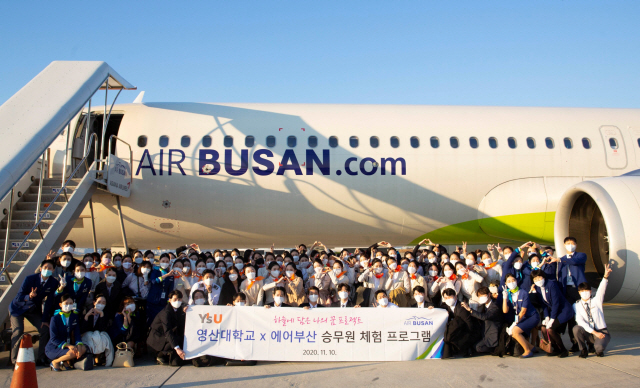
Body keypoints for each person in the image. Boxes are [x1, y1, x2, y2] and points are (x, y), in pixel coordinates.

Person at [9, 259, 59, 365]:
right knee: (18, 331)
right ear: (40, 269)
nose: (47, 270)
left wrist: (44, 319)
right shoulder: (30, 279)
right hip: (18, 308)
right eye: (45, 267)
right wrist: (29, 296)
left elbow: (49, 302)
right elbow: (18, 297)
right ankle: (14, 360)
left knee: (45, 329)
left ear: (53, 270)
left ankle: (41, 358)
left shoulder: (53, 283)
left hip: (33, 310)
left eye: (50, 268)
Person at [531, 268, 572, 357]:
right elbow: (544, 304)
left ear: (543, 277)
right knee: (543, 329)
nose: (538, 281)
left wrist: (552, 319)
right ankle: (555, 349)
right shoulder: (538, 289)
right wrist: (547, 317)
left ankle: (563, 350)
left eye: (539, 278)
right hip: (554, 312)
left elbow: (556, 303)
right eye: (535, 279)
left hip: (563, 311)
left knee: (550, 329)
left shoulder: (551, 284)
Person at [573, 264, 612, 358]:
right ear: (579, 293)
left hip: (601, 331)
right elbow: (580, 321)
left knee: (598, 349)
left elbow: (601, 289)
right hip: (590, 332)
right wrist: (595, 333)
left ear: (590, 292)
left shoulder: (596, 301)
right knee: (576, 328)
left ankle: (598, 348)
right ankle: (583, 350)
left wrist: (605, 276)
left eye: (587, 291)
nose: (585, 293)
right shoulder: (576, 305)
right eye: (582, 291)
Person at [46, 293, 86, 371]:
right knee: (72, 353)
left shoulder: (74, 316)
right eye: (66, 303)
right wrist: (68, 345)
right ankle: (55, 362)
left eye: (71, 303)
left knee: (83, 349)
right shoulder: (55, 318)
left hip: (68, 344)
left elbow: (77, 333)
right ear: (60, 304)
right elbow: (53, 339)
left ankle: (63, 360)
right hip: (54, 347)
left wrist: (79, 345)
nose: (68, 305)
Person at [502, 273, 538, 358]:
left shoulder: (523, 292)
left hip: (531, 317)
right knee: (514, 333)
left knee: (515, 331)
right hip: (522, 318)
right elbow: (505, 310)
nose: (511, 282)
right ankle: (531, 347)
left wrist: (515, 323)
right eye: (509, 281)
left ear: (516, 281)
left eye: (513, 280)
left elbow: (523, 311)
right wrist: (504, 298)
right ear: (506, 284)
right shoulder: (508, 294)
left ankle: (527, 351)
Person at [147, 290, 186, 366]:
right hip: (158, 339)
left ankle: (168, 353)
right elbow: (167, 331)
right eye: (175, 299)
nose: (177, 301)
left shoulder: (179, 309)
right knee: (174, 341)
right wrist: (177, 348)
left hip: (168, 335)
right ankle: (160, 355)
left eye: (179, 299)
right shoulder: (165, 313)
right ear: (170, 300)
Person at [461, 286, 503, 354]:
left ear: (489, 294)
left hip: (492, 335)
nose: (481, 298)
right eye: (479, 296)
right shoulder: (484, 306)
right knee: (472, 345)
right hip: (484, 333)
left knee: (478, 348)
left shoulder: (494, 306)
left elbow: (485, 317)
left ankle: (495, 349)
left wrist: (470, 310)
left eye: (483, 295)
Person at [441, 288, 475, 358]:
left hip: (465, 331)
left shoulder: (462, 308)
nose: (448, 299)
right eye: (446, 298)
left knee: (456, 322)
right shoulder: (445, 306)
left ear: (455, 296)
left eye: (450, 297)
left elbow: (469, 325)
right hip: (455, 331)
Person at [80, 295, 112, 367]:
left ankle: (98, 356)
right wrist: (86, 316)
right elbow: (82, 329)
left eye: (103, 303)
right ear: (94, 302)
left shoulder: (105, 314)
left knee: (100, 336)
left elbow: (102, 329)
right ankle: (91, 357)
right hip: (88, 336)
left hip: (98, 337)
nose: (101, 304)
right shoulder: (87, 312)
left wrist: (101, 314)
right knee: (92, 336)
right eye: (99, 302)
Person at [147, 254, 177, 325]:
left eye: (167, 261)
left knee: (161, 321)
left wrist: (168, 301)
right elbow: (154, 281)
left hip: (163, 302)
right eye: (163, 261)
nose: (165, 263)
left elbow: (170, 289)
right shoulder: (155, 271)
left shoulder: (171, 274)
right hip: (153, 301)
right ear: (160, 261)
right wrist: (166, 275)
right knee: (150, 321)